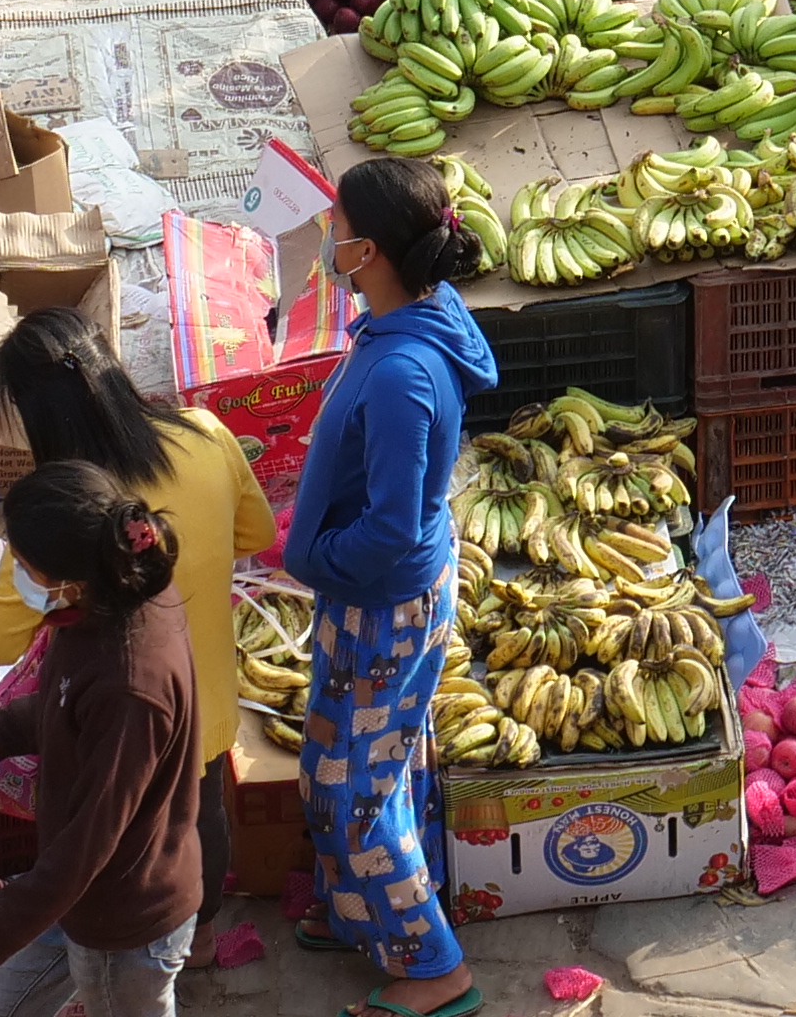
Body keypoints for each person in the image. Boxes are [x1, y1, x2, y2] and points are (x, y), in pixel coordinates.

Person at [0, 309, 272, 954]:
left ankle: (143, 952)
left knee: (114, 835)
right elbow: (258, 535)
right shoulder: (206, 434)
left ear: (35, 415)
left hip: (105, 707)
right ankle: (202, 936)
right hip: (204, 695)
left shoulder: (64, 510)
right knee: (198, 815)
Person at [285, 159, 495, 1017]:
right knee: (365, 762)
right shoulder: (411, 315)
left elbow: (393, 529)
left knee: (350, 790)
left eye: (335, 226)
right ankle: (363, 909)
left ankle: (433, 968)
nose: (325, 237)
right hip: (373, 592)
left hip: (381, 599)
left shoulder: (406, 374)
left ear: (367, 250)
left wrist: (308, 557)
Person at [0, 464, 196, 1017]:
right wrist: (1, 727)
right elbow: (71, 702)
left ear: (72, 577)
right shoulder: (98, 607)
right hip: (69, 892)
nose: (17, 576)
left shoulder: (131, 685)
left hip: (121, 918)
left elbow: (92, 839)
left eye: (25, 567)